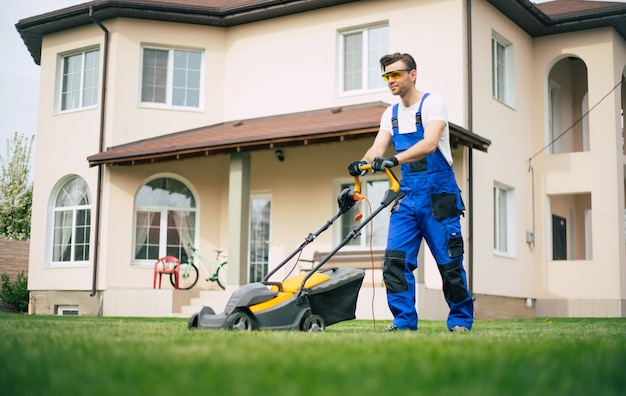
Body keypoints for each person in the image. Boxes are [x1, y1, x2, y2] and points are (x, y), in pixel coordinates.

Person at [348, 52, 473, 332]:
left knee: (449, 264)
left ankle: (461, 320)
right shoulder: (390, 114)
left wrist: (395, 159)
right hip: (407, 198)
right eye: (386, 76)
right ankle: (403, 321)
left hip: (439, 196)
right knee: (395, 261)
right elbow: (377, 149)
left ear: (412, 74)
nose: (390, 81)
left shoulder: (433, 103)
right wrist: (363, 164)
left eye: (395, 74)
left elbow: (429, 143)